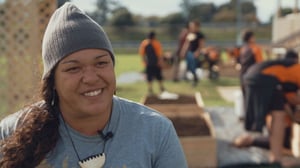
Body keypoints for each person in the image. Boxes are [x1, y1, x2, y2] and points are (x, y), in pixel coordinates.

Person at [0, 3, 188, 168]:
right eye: (73, 68)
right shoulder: (12, 133)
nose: (90, 78)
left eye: (101, 63)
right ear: (52, 81)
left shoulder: (155, 131)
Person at [233, 50, 300, 166]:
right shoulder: (296, 70)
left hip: (254, 76)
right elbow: (292, 100)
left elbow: (289, 100)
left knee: (278, 115)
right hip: (263, 78)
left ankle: (275, 158)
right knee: (279, 116)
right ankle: (277, 159)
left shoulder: (286, 71)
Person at [180, 20, 205, 87]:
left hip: (195, 53)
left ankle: (195, 79)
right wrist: (183, 51)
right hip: (189, 52)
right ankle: (194, 78)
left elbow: (201, 45)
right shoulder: (190, 34)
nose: (191, 27)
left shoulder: (200, 35)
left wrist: (197, 52)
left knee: (194, 66)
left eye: (192, 26)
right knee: (189, 66)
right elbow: (186, 44)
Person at [239, 30, 264, 96]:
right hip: (253, 78)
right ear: (251, 38)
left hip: (243, 77)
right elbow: (260, 64)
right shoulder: (256, 49)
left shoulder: (243, 49)